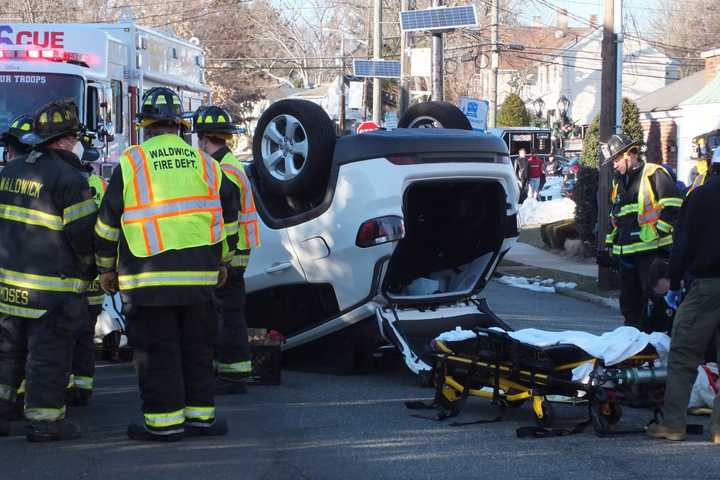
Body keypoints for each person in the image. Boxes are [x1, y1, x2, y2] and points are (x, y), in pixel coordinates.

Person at [94, 87, 239, 442]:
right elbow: (229, 216)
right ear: (179, 126)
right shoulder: (206, 164)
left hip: (148, 280)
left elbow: (107, 224)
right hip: (199, 279)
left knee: (158, 353)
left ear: (145, 125)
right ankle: (201, 419)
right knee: (197, 350)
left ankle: (163, 423)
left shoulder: (131, 163)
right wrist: (224, 260)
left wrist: (105, 269)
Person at [0, 99, 97, 442]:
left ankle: (3, 413)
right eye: (73, 138)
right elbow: (84, 236)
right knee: (48, 355)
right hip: (51, 291)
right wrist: (95, 270)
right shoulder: (70, 179)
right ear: (66, 139)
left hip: (8, 287)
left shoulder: (9, 172)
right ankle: (45, 422)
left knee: (7, 353)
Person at [647, 147, 720, 443]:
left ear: (712, 168)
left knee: (683, 355)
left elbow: (682, 244)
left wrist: (674, 284)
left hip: (705, 287)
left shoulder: (700, 196)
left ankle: (673, 424)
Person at [193, 105, 260, 395]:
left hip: (231, 256)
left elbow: (226, 221)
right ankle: (233, 370)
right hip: (238, 253)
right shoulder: (230, 164)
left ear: (204, 140)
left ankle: (233, 375)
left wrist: (222, 259)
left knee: (226, 314)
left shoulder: (222, 170)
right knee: (229, 313)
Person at [599, 134, 682, 329]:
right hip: (627, 257)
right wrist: (610, 247)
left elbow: (674, 207)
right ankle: (634, 348)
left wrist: (655, 235)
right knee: (629, 307)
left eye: (616, 159)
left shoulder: (654, 174)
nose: (614, 165)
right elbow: (617, 218)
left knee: (656, 304)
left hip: (651, 255)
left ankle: (657, 346)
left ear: (630, 154)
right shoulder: (618, 182)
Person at [67, 137, 106, 407]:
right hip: (94, 277)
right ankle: (83, 384)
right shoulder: (99, 185)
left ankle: (71, 383)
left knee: (67, 335)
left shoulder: (68, 185)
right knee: (85, 334)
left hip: (73, 276)